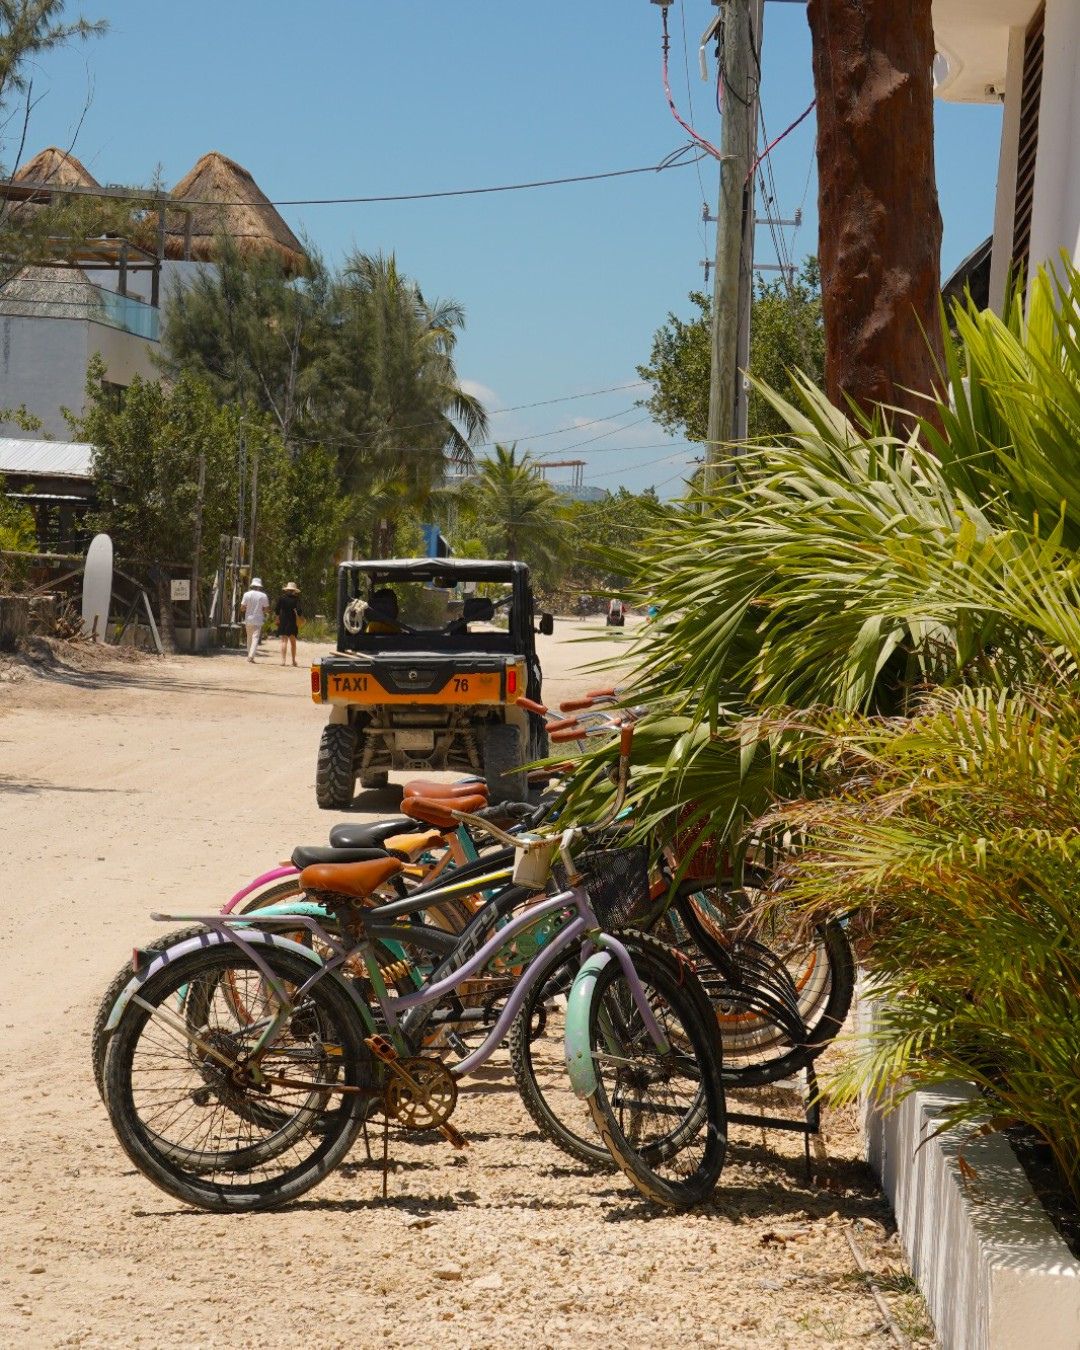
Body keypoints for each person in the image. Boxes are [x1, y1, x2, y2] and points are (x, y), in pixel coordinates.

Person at [238, 577, 269, 662]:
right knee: (255, 638)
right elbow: (266, 609)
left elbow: (242, 608)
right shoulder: (263, 596)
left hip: (248, 618)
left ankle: (249, 655)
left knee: (249, 638)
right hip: (258, 619)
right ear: (259, 586)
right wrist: (261, 609)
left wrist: (248, 608)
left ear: (252, 585)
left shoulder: (246, 594)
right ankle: (251, 656)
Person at [275, 581, 304, 666]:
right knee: (293, 642)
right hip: (292, 621)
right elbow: (299, 611)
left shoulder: (282, 598)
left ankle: (283, 661)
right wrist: (299, 615)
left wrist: (277, 618)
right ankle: (293, 661)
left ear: (287, 590)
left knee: (284, 641)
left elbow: (277, 609)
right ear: (294, 590)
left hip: (283, 620)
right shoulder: (296, 599)